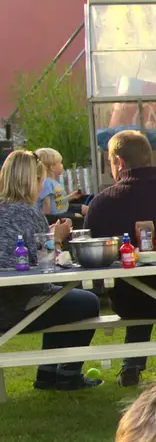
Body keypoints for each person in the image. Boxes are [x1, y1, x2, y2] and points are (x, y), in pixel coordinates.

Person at [0, 150, 100, 391]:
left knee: (57, 296)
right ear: (34, 181)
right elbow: (47, 267)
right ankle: (68, 373)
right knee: (86, 302)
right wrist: (56, 239)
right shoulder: (30, 213)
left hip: (10, 301)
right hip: (16, 306)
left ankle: (47, 374)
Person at [84, 130, 156, 387]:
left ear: (119, 162)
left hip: (129, 301)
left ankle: (131, 365)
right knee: (150, 280)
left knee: (136, 283)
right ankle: (131, 365)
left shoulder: (102, 204)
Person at [33, 148, 72, 218]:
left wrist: (72, 196)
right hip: (55, 217)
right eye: (60, 163)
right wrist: (48, 221)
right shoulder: (47, 183)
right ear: (52, 167)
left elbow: (57, 201)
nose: (62, 165)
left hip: (62, 213)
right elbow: (46, 205)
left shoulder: (53, 182)